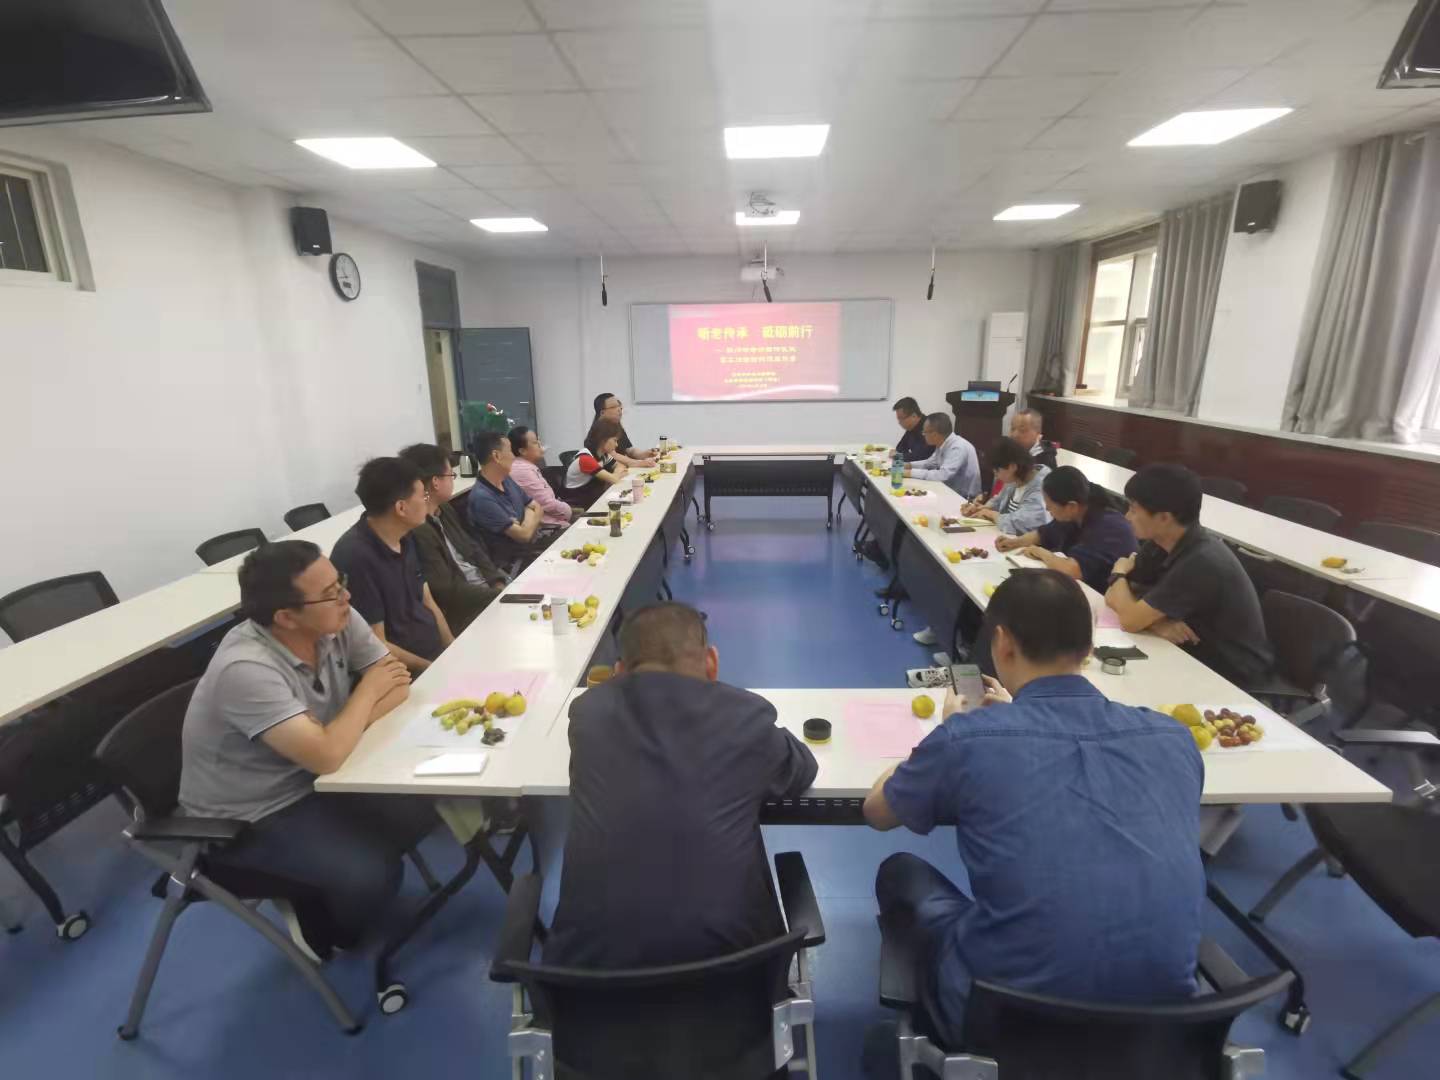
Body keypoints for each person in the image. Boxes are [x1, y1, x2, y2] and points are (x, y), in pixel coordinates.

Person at [863, 570, 1204, 1049]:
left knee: (901, 873)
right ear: (1089, 649)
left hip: (1006, 1019)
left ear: (1002, 643)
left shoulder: (967, 739)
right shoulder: (1174, 738)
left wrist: (944, 734)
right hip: (1162, 1029)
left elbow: (877, 811)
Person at [179, 540, 436, 959]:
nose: (346, 596)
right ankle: (320, 924)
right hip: (253, 813)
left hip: (318, 772)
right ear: (286, 616)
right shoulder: (245, 668)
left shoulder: (334, 616)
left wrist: (337, 733)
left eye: (341, 583)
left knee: (423, 811)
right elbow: (332, 749)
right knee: (371, 875)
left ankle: (327, 882)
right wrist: (366, 694)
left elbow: (397, 682)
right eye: (331, 592)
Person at [545, 602, 818, 969]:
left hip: (587, 985)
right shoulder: (744, 717)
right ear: (712, 662)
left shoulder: (587, 715)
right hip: (737, 980)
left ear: (619, 672)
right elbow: (801, 768)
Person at [1105, 463, 1275, 685]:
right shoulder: (1159, 543)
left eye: (1134, 509)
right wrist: (1156, 623)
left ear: (1164, 518)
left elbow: (1129, 617)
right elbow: (1113, 596)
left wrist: (1119, 573)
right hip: (1188, 652)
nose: (1127, 516)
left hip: (1230, 673)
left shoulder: (1202, 562)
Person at [330, 457, 452, 672]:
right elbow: (376, 644)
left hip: (435, 657)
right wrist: (432, 668)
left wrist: (452, 647)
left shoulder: (406, 535)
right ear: (401, 508)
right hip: (403, 672)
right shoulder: (355, 557)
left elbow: (427, 600)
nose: (427, 501)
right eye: (423, 495)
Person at [398, 443, 508, 635]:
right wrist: (495, 595)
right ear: (435, 482)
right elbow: (446, 590)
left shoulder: (445, 508)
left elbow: (474, 548)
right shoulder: (418, 529)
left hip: (487, 591)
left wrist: (497, 582)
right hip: (468, 609)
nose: (453, 480)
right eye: (451, 475)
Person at [995, 466, 1136, 593]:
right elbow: (1044, 533)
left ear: (1071, 506)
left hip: (1104, 596)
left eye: (1050, 504)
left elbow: (1073, 570)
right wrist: (1015, 542)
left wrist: (1040, 553)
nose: (1047, 508)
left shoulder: (1108, 527)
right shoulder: (1075, 512)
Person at [467, 430, 553, 566]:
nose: (513, 456)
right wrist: (529, 514)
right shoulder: (482, 498)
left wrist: (523, 523)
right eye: (510, 451)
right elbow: (523, 536)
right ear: (496, 456)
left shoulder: (506, 479)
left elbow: (537, 507)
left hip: (535, 544)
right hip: (518, 561)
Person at [961, 437, 1050, 536]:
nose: (996, 476)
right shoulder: (1015, 478)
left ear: (1012, 467)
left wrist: (990, 514)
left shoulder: (1042, 487)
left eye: (997, 471)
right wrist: (980, 509)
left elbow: (1022, 524)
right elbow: (998, 501)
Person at [507, 426, 574, 527]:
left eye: (539, 441)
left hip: (552, 520)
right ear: (522, 451)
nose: (540, 444)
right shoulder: (522, 470)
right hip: (545, 527)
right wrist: (568, 510)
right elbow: (547, 503)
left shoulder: (526, 466)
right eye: (535, 442)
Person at [903, 413, 981, 498]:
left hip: (963, 498)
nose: (923, 435)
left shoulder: (958, 448)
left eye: (924, 432)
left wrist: (909, 473)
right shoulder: (942, 443)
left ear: (934, 434)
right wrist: (907, 465)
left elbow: (943, 475)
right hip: (949, 489)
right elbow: (929, 463)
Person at [564, 417, 629, 507]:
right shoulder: (585, 459)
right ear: (603, 439)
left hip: (591, 499)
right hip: (577, 504)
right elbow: (614, 480)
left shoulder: (603, 455)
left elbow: (621, 467)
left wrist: (616, 474)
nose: (616, 445)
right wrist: (616, 475)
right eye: (615, 440)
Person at [593, 392, 656, 468]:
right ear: (602, 413)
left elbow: (629, 450)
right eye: (614, 407)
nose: (619, 409)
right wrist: (638, 463)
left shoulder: (616, 426)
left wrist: (644, 454)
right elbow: (612, 455)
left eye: (619, 406)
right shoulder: (599, 430)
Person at [893, 396, 929, 462]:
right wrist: (903, 455)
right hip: (914, 465)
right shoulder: (911, 428)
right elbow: (900, 447)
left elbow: (922, 456)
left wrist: (899, 456)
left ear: (914, 416)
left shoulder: (930, 427)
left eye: (901, 419)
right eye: (898, 419)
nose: (899, 422)